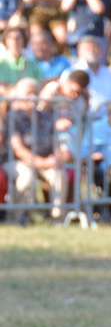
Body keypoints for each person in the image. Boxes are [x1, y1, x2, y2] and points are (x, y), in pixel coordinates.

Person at [6, 78, 66, 221]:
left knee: (59, 174)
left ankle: (57, 217)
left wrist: (57, 157)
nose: (32, 97)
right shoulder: (12, 117)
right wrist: (42, 162)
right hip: (18, 162)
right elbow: (18, 150)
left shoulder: (46, 116)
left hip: (44, 160)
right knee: (27, 178)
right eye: (28, 93)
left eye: (35, 93)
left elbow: (56, 142)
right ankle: (14, 218)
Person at [70, 35, 111, 114]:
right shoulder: (71, 72)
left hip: (108, 122)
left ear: (102, 52)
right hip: (81, 122)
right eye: (88, 48)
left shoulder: (110, 74)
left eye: (95, 48)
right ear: (79, 52)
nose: (92, 51)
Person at [0, 21, 44, 85]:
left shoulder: (32, 64)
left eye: (18, 38)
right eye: (11, 38)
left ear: (24, 41)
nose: (15, 41)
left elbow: (41, 83)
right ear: (5, 41)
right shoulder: (1, 64)